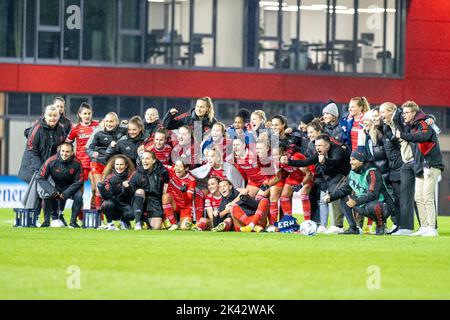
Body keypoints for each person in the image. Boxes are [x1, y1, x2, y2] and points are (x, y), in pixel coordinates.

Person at [395, 101, 444, 237]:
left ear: (414, 113)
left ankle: (432, 228)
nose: (404, 115)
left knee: (427, 196)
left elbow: (423, 137)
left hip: (431, 164)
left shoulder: (423, 123)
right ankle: (423, 227)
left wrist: (403, 135)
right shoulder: (413, 125)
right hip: (421, 165)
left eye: (407, 112)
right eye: (403, 112)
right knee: (418, 197)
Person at [323, 149, 394, 235]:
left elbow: (373, 194)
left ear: (361, 161)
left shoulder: (372, 173)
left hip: (383, 205)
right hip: (364, 203)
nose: (351, 162)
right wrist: (330, 197)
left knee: (371, 206)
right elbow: (343, 189)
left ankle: (380, 225)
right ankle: (353, 228)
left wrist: (356, 201)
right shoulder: (352, 173)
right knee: (344, 199)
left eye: (354, 159)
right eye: (350, 159)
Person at [36, 143, 84, 228]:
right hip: (54, 186)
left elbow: (79, 182)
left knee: (79, 196)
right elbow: (40, 177)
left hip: (69, 187)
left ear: (72, 153)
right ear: (59, 151)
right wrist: (52, 191)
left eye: (67, 152)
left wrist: (66, 193)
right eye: (63, 151)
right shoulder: (51, 161)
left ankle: (73, 221)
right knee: (45, 194)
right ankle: (46, 222)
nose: (64, 154)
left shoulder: (77, 163)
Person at [86, 112, 127, 209]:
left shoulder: (123, 129)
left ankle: (110, 217)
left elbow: (135, 128)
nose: (109, 123)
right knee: (99, 188)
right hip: (98, 162)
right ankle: (99, 218)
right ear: (104, 121)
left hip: (112, 164)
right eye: (107, 121)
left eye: (111, 121)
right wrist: (92, 153)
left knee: (111, 189)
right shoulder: (98, 132)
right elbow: (88, 148)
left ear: (116, 122)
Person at [19, 105, 66, 184]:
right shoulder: (37, 128)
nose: (52, 118)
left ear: (58, 117)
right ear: (45, 116)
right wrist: (41, 170)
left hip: (47, 170)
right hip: (32, 169)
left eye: (55, 115)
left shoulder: (60, 129)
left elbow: (60, 149)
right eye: (50, 115)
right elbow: (32, 151)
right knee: (37, 194)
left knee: (48, 193)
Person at [66, 102, 99, 209]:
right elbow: (67, 143)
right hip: (80, 164)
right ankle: (79, 217)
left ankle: (94, 213)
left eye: (89, 113)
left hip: (94, 163)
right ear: (80, 114)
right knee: (80, 192)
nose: (87, 116)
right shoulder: (75, 128)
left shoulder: (97, 125)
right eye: (84, 113)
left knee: (95, 189)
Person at [129, 151, 169, 230]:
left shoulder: (161, 171)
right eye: (143, 158)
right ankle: (138, 222)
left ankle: (144, 219)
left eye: (147, 158)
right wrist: (126, 187)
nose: (144, 161)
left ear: (154, 161)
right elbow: (131, 191)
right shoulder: (137, 173)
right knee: (140, 191)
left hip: (155, 202)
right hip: (141, 200)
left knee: (156, 227)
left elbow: (167, 180)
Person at [379, 102, 403, 233]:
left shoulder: (399, 120)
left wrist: (431, 118)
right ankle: (400, 226)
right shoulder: (386, 127)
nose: (381, 116)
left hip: (403, 166)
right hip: (394, 167)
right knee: (398, 199)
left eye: (383, 112)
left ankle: (425, 226)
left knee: (412, 199)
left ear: (390, 111)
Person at [162, 159, 204, 231]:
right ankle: (173, 224)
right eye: (176, 165)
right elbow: (158, 163)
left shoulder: (191, 180)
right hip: (174, 203)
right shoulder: (171, 170)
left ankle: (190, 224)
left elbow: (188, 199)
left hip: (185, 206)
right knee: (165, 196)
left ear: (186, 168)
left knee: (184, 227)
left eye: (180, 166)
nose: (177, 168)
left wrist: (184, 192)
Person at [97, 155, 135, 230]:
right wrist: (102, 189)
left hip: (126, 205)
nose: (119, 167)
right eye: (117, 164)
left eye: (121, 164)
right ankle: (110, 223)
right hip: (113, 205)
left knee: (132, 214)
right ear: (114, 165)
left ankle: (124, 221)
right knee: (106, 204)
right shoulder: (109, 177)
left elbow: (132, 194)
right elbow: (106, 197)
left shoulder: (131, 176)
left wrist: (127, 188)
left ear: (126, 165)